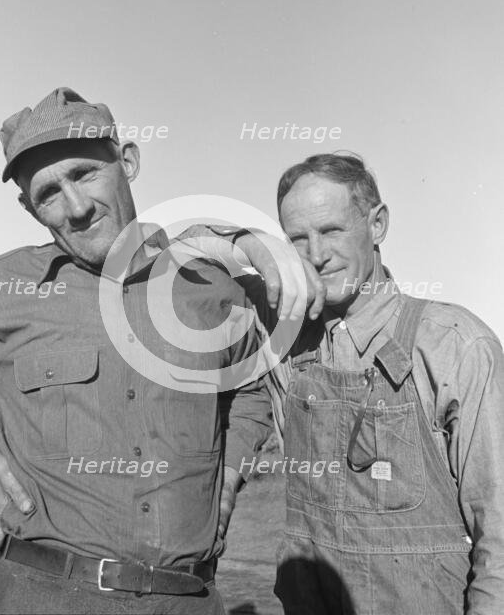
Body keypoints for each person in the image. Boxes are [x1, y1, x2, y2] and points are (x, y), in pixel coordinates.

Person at [0, 87, 276, 615]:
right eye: (48, 193)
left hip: (187, 600)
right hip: (43, 596)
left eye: (84, 174)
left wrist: (233, 470)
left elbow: (250, 386)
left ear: (128, 161)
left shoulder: (207, 288)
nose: (75, 208)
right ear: (29, 208)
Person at [187, 153, 504, 614]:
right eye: (297, 239)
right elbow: (173, 254)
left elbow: (499, 536)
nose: (316, 254)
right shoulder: (283, 331)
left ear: (377, 225)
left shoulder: (455, 345)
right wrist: (254, 246)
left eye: (332, 230)